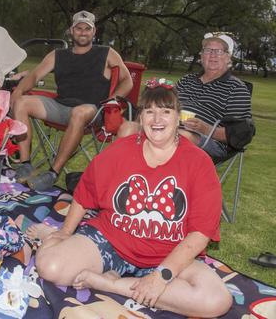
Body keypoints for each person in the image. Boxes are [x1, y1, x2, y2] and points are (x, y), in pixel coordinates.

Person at [27, 80, 232, 317]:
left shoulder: (199, 163)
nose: (157, 120)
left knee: (216, 301)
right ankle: (50, 235)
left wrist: (161, 276)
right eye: (150, 112)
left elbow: (200, 233)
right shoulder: (120, 151)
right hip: (112, 241)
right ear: (141, 118)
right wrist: (64, 232)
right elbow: (86, 192)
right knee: (50, 267)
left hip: (167, 255)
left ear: (178, 118)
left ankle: (112, 284)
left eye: (166, 112)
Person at [10, 10, 133, 191]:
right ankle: (25, 163)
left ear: (94, 32)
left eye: (87, 29)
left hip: (92, 110)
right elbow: (35, 75)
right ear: (71, 30)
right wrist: (18, 90)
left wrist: (113, 100)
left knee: (79, 112)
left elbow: (127, 80)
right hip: (61, 106)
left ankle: (53, 172)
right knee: (21, 102)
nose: (83, 32)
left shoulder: (106, 53)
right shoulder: (58, 55)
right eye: (78, 28)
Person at [118, 32, 252, 161]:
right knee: (128, 128)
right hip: (165, 127)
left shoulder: (237, 88)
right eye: (208, 50)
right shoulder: (187, 80)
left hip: (205, 140)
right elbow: (165, 104)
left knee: (180, 136)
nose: (212, 55)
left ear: (228, 57)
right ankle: (121, 178)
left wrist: (206, 128)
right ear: (201, 56)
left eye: (218, 51)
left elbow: (241, 133)